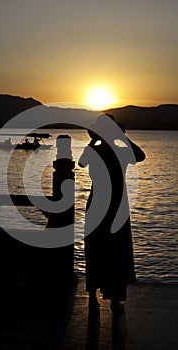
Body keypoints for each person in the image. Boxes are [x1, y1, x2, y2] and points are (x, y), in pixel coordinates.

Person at [78, 113, 146, 312]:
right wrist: (98, 140)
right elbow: (81, 162)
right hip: (109, 205)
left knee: (107, 249)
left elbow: (141, 156)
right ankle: (98, 297)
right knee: (105, 248)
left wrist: (108, 139)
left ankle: (108, 298)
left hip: (113, 205)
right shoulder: (108, 149)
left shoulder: (114, 149)